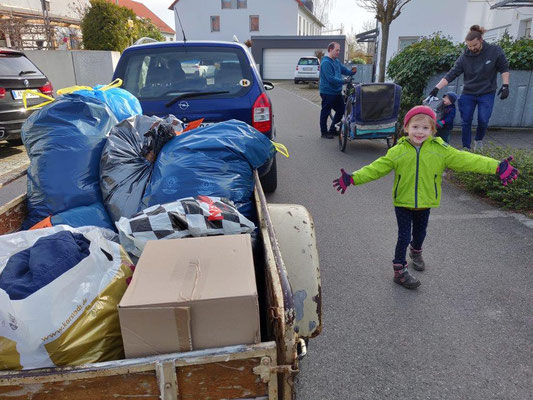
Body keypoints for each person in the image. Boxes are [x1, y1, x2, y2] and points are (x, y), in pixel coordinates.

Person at [332, 105, 519, 290]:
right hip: (403, 203)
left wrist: (496, 166)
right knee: (403, 237)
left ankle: (416, 252)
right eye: (415, 127)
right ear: (406, 128)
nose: (419, 132)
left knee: (420, 234)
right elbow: (375, 168)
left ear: (432, 130)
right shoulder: (398, 151)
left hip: (426, 201)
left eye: (425, 128)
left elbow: (467, 159)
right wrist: (353, 178)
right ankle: (399, 271)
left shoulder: (441, 150)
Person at [428, 25, 510, 151]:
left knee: (483, 119)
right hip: (468, 93)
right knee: (465, 121)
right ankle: (466, 147)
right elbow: (451, 74)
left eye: (474, 45)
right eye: (469, 46)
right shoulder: (464, 57)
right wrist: (436, 88)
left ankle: (478, 140)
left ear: (481, 40)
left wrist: (505, 85)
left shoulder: (494, 51)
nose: (472, 48)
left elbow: (504, 68)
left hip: (487, 92)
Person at [319, 42, 357, 139]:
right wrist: (344, 81)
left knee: (341, 110)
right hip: (327, 92)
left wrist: (351, 72)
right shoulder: (326, 63)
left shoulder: (336, 61)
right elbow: (330, 79)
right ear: (330, 50)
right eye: (337, 50)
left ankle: (332, 129)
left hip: (336, 92)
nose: (338, 52)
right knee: (326, 112)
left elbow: (344, 70)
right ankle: (324, 132)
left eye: (339, 50)